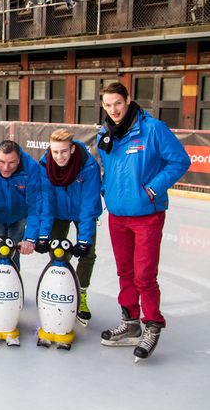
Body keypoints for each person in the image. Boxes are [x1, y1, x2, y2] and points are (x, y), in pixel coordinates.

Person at [97, 82, 190, 361]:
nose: (113, 110)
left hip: (146, 216)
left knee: (144, 276)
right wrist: (106, 190)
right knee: (124, 273)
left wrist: (152, 189)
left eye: (118, 103)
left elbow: (180, 161)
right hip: (117, 216)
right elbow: (108, 169)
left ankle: (153, 324)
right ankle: (131, 322)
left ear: (128, 100)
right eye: (108, 105)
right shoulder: (104, 134)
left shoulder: (153, 129)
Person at [37, 129, 102, 326]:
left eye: (64, 151)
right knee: (58, 252)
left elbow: (89, 204)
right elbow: (46, 202)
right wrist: (43, 234)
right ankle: (61, 289)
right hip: (57, 214)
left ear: (72, 149)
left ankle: (81, 294)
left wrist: (83, 240)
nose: (59, 156)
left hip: (82, 211)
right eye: (55, 152)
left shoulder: (88, 166)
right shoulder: (44, 165)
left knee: (88, 253)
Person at [0, 140, 42, 269]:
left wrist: (30, 239)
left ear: (19, 159)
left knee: (13, 253)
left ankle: (13, 287)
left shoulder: (31, 167)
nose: (6, 168)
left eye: (12, 163)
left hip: (19, 215)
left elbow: (35, 206)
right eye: (1, 162)